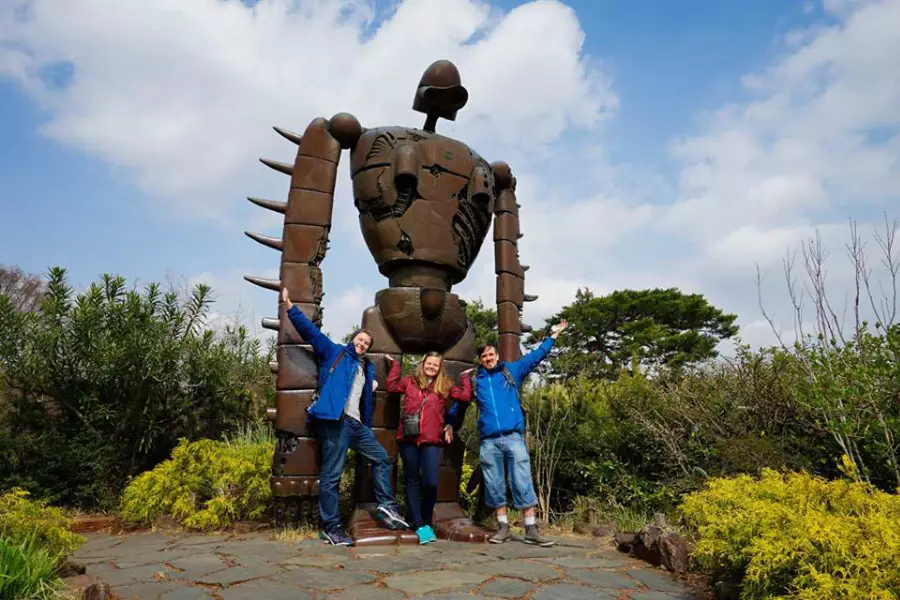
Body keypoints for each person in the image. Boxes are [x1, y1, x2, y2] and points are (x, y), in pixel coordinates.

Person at [281, 288, 408, 546]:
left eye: (366, 344)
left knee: (381, 458)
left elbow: (363, 397)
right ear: (353, 339)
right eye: (360, 340)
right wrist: (291, 308)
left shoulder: (365, 368)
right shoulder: (335, 352)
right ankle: (331, 528)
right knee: (332, 475)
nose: (362, 344)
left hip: (356, 425)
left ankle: (386, 506)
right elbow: (311, 333)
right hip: (335, 421)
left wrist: (370, 385)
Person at [447, 320, 568, 547]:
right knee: (494, 483)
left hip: (513, 437)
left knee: (522, 480)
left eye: (491, 354)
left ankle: (531, 528)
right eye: (484, 356)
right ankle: (503, 527)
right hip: (489, 440)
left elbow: (535, 356)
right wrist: (451, 423)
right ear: (480, 360)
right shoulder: (476, 382)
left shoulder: (511, 371)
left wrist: (553, 336)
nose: (488, 358)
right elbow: (460, 405)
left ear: (496, 355)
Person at [384, 352, 472, 544]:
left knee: (431, 482)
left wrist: (465, 378)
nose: (431, 367)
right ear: (423, 363)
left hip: (431, 440)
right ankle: (419, 525)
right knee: (412, 481)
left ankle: (425, 521)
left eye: (435, 365)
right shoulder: (410, 381)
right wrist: (395, 367)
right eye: (429, 363)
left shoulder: (444, 385)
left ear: (440, 368)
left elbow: (465, 397)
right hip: (409, 439)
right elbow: (391, 386)